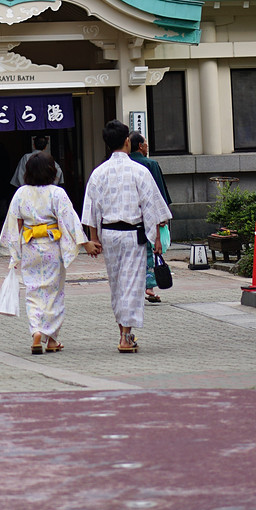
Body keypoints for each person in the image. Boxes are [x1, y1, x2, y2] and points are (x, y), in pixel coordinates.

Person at [82, 119, 172, 354]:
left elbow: (92, 209)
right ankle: (126, 335)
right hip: (133, 234)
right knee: (132, 284)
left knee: (117, 284)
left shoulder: (98, 173)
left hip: (109, 234)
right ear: (126, 142)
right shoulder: (139, 171)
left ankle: (123, 331)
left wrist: (94, 237)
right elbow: (151, 207)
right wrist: (157, 240)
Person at [0, 150, 86, 355]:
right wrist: (84, 242)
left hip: (29, 246)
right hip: (51, 245)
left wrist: (15, 252)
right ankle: (51, 336)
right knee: (54, 293)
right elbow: (69, 220)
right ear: (51, 170)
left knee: (33, 291)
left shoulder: (21, 193)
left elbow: (14, 223)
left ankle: (37, 331)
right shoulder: (57, 193)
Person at [129, 131, 172, 304]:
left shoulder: (124, 165)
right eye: (145, 143)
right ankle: (149, 286)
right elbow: (158, 194)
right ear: (140, 146)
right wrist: (162, 216)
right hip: (147, 217)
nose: (147, 146)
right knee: (151, 250)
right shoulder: (150, 164)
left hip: (127, 219)